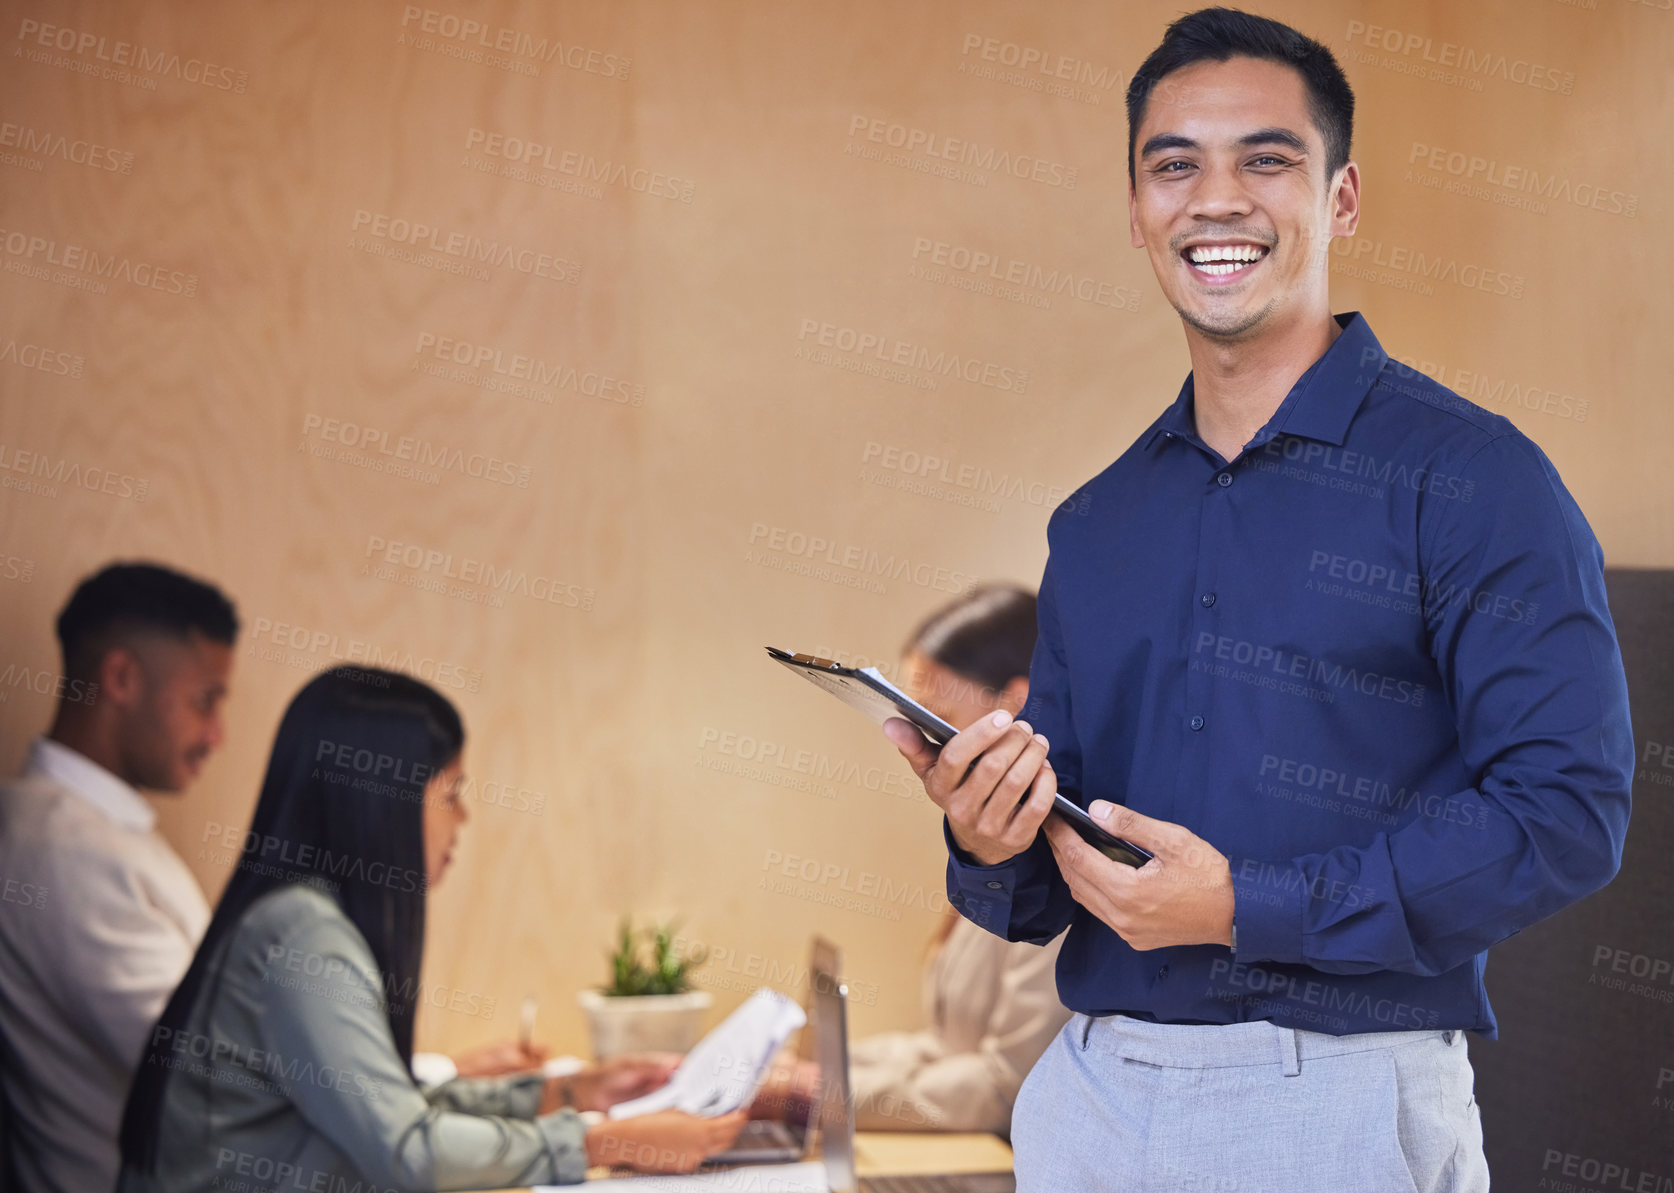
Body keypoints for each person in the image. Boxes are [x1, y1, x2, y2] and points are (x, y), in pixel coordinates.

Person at [885, 9, 1633, 1191]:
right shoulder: (1095, 523)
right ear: (1136, 210)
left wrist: (1250, 906)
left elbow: (1567, 812)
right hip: (1089, 1093)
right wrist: (987, 831)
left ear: (1340, 199)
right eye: (1173, 163)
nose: (1215, 197)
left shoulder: (1476, 481)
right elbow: (1050, 863)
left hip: (1335, 1099)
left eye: (1266, 159)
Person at [117, 666, 746, 1189]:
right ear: (383, 799)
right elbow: (410, 1150)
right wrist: (604, 1141)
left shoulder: (298, 915)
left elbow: (397, 1109)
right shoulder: (302, 936)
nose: (462, 819)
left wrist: (570, 1092)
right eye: (451, 794)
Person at [0, 562, 238, 1193]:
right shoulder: (61, 850)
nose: (217, 736)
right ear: (122, 678)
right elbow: (215, 1079)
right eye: (204, 701)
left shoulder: (97, 835)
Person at [850, 584, 1070, 1135]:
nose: (922, 742)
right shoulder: (988, 851)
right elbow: (949, 1047)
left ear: (1013, 705)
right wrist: (825, 1075)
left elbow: (1008, 1085)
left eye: (938, 716)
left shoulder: (1062, 866)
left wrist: (818, 1097)